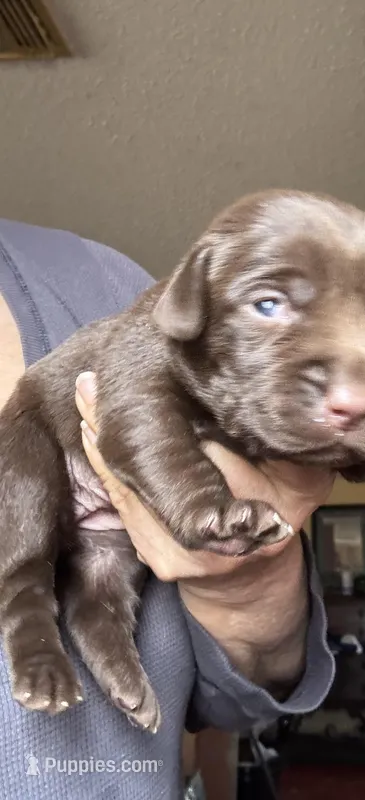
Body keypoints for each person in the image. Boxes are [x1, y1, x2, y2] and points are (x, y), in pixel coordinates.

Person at [0, 217, 337, 799]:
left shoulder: (99, 280)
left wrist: (253, 580)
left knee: (106, 575)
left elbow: (236, 698)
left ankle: (99, 637)